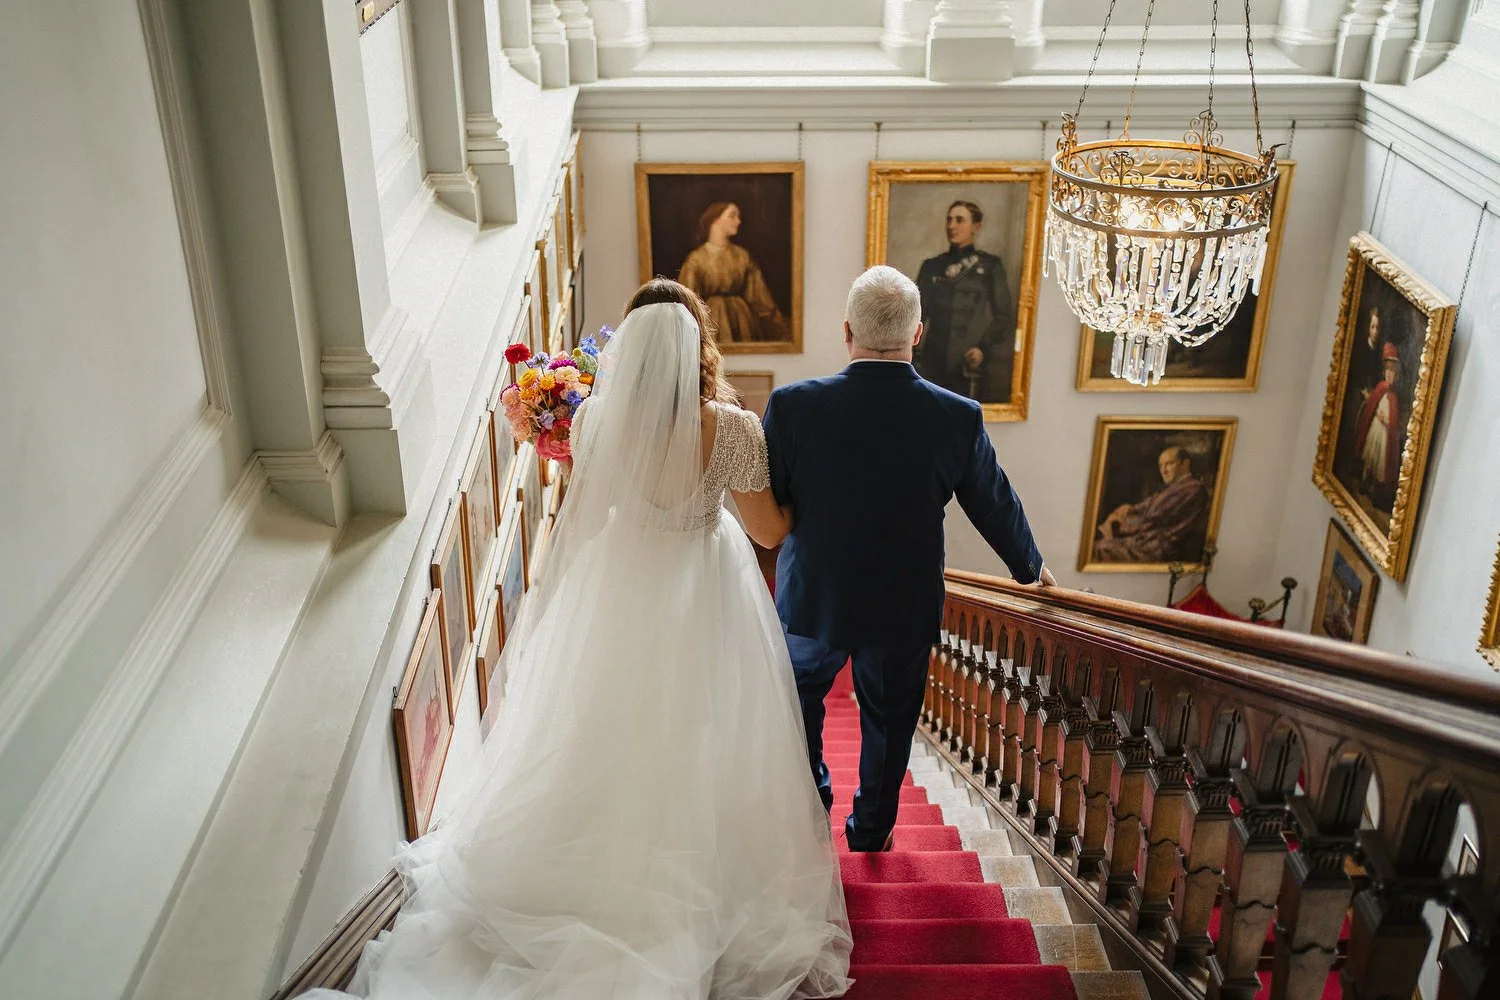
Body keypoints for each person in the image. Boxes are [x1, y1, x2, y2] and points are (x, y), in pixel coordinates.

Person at [307, 281, 851, 1000]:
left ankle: (605, 878)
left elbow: (596, 505)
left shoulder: (594, 421)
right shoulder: (731, 427)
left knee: (612, 733)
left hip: (621, 586)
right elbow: (769, 532)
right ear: (698, 346)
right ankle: (702, 883)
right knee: (706, 736)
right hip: (705, 591)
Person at [763, 265, 1052, 854]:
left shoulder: (792, 407)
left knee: (797, 698)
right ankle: (870, 830)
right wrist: (1032, 571)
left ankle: (812, 794)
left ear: (847, 331)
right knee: (889, 720)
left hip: (814, 593)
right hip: (903, 602)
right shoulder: (956, 416)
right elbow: (993, 503)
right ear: (918, 333)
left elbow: (771, 499)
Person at [912, 200, 1015, 401]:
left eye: (960, 220)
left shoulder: (989, 266)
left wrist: (982, 350)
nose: (952, 226)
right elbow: (917, 315)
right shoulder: (931, 267)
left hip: (968, 361)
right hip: (932, 361)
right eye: (949, 220)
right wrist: (913, 354)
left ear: (976, 227)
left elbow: (1003, 317)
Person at [678, 201, 790, 345]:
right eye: (732, 216)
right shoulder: (696, 258)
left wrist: (781, 327)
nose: (738, 221)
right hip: (711, 320)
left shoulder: (742, 255)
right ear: (716, 219)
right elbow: (686, 300)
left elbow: (760, 298)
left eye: (738, 216)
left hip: (743, 321)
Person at [1092, 446, 1210, 564]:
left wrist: (1118, 523)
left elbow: (1155, 519)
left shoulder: (1193, 489)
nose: (1164, 471)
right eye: (1161, 466)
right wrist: (1128, 509)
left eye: (1169, 464)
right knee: (1095, 544)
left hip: (1156, 548)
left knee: (1098, 549)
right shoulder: (1170, 489)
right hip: (1142, 540)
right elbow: (1142, 507)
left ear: (1185, 464)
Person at [1355, 342, 1402, 510]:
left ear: (1395, 375)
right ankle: (1364, 482)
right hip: (1375, 430)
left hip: (1384, 435)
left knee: (1379, 463)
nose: (1389, 375)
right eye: (1387, 371)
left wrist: (1386, 421)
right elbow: (1372, 407)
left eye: (1392, 372)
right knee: (1370, 457)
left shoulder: (1394, 398)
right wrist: (1376, 415)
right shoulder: (1380, 388)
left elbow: (1394, 424)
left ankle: (1374, 490)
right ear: (1384, 372)